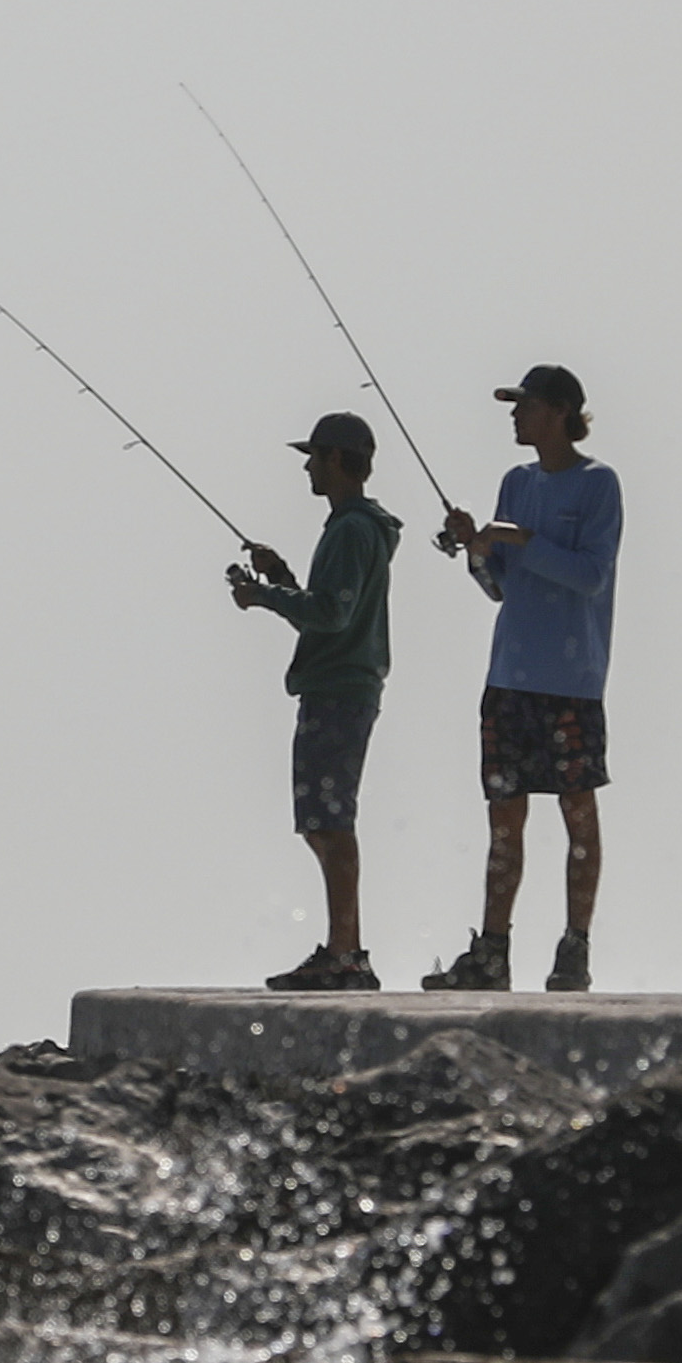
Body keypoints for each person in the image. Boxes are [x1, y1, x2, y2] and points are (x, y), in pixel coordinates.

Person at [423, 365, 620, 992]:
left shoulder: (598, 485)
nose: (514, 416)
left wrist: (518, 538)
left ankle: (575, 946)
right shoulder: (516, 481)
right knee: (503, 817)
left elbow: (591, 575)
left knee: (576, 812)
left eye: (525, 406)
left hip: (572, 681)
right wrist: (477, 549)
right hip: (508, 677)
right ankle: (492, 950)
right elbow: (499, 586)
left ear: (559, 412)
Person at [229, 413, 399, 989]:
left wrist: (265, 596)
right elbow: (332, 605)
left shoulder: (352, 530)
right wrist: (283, 578)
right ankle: (343, 950)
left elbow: (332, 614)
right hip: (341, 684)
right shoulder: (354, 529)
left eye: (315, 456)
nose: (307, 466)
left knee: (330, 821)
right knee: (321, 823)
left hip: (339, 689)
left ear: (337, 461)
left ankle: (346, 954)